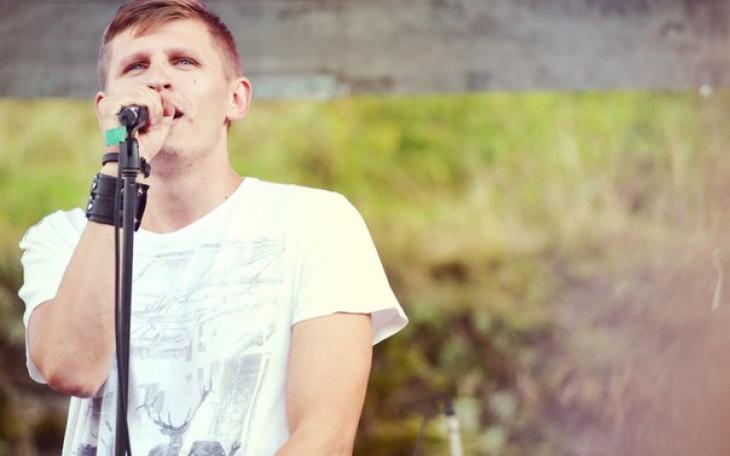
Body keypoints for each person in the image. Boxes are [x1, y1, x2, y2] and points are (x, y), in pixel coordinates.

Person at [17, 0, 408, 454]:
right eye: (135, 66)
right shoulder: (63, 238)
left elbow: (324, 437)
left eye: (184, 61)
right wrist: (117, 164)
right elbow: (72, 370)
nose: (158, 80)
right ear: (105, 108)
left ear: (235, 98)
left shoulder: (317, 223)